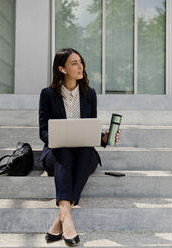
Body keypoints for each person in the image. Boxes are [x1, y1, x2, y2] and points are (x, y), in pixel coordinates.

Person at [39, 48, 120, 247]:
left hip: (84, 153)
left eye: (80, 62)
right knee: (64, 153)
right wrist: (58, 138)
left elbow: (90, 130)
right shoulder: (48, 94)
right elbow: (43, 131)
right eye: (74, 63)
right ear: (62, 68)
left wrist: (104, 138)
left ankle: (62, 218)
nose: (80, 66)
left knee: (84, 153)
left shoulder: (89, 94)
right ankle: (67, 219)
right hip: (57, 153)